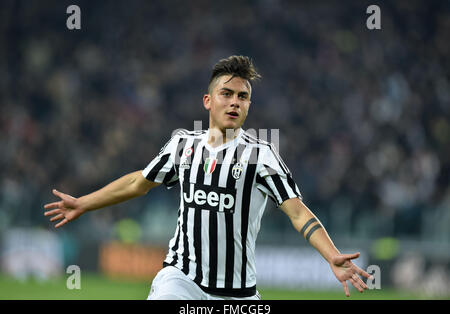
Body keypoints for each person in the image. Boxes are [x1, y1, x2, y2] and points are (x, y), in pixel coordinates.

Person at [44, 55, 372, 300]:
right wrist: (84, 203)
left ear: (248, 106)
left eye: (242, 97)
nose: (234, 102)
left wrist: (331, 255)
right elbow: (138, 183)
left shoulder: (262, 156)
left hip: (238, 293)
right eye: (226, 93)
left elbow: (298, 212)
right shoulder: (183, 145)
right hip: (181, 279)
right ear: (208, 101)